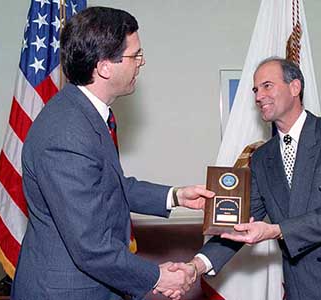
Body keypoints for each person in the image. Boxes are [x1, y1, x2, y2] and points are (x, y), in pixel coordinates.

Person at [11, 7, 213, 300]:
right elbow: (90, 245)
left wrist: (175, 196)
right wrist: (157, 277)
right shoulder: (67, 132)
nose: (141, 63)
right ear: (105, 67)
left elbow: (108, 186)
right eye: (135, 56)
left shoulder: (87, 115)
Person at [173, 57, 321, 299]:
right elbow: (238, 225)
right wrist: (195, 267)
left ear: (295, 87)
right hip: (301, 289)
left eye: (267, 85)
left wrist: (276, 230)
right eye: (255, 89)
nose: (258, 96)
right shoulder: (262, 157)